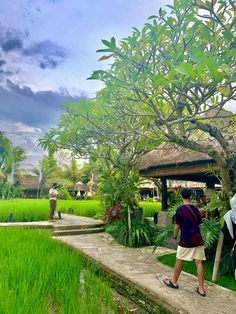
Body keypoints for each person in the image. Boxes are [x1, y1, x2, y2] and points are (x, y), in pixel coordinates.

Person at [163, 188, 206, 297]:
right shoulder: (196, 209)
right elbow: (199, 226)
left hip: (186, 239)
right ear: (191, 196)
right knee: (199, 262)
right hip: (197, 238)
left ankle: (174, 281)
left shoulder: (180, 210)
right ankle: (201, 289)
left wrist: (174, 236)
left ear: (181, 197)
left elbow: (177, 226)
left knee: (179, 259)